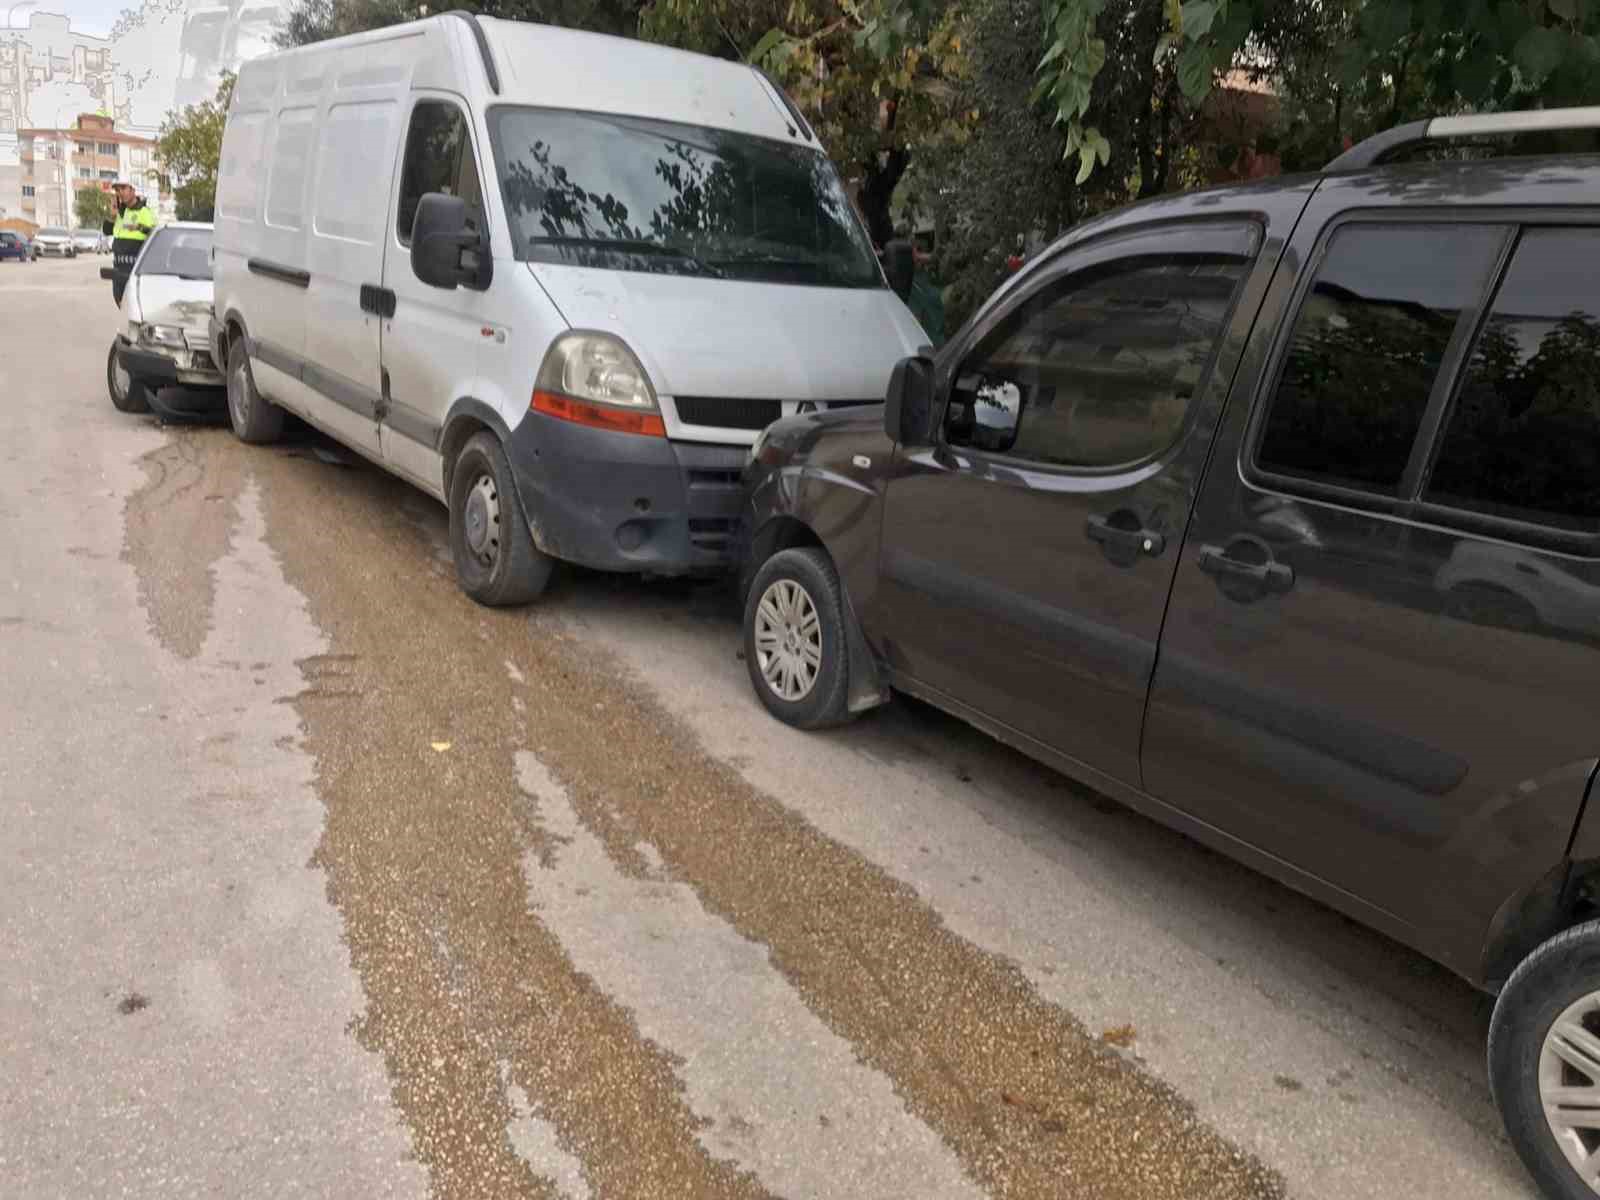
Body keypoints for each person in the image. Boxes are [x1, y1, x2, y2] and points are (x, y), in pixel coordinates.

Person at [103, 182, 156, 305]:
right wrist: (112, 215)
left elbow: (153, 234)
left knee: (136, 308)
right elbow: (107, 231)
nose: (120, 192)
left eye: (123, 188)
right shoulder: (120, 213)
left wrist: (139, 227)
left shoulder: (144, 211)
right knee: (120, 306)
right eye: (117, 190)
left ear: (133, 190)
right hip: (118, 269)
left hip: (135, 269)